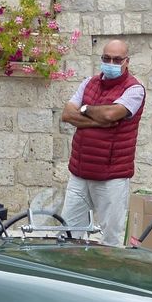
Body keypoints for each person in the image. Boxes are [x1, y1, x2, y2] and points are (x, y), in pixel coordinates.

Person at [59, 38, 145, 246]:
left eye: (117, 60)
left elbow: (110, 114)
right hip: (79, 173)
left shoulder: (134, 90)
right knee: (68, 235)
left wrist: (85, 109)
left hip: (111, 176)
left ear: (127, 61)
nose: (111, 63)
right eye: (106, 58)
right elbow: (67, 114)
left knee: (110, 239)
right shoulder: (89, 83)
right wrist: (97, 120)